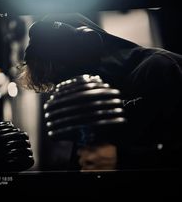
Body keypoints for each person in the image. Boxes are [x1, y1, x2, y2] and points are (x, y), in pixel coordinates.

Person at [17, 12, 182, 171]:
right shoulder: (90, 98)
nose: (65, 84)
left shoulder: (160, 68)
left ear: (88, 48)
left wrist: (122, 159)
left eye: (63, 72)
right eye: (56, 80)